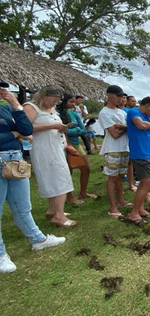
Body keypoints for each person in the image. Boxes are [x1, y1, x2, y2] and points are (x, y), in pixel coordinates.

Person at [0, 85, 66, 273]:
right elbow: (19, 132)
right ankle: (1, 254)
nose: (3, 92)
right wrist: (13, 134)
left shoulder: (7, 107)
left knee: (23, 205)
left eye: (5, 90)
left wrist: (15, 105)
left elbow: (27, 128)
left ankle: (37, 239)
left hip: (15, 159)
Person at [23, 86, 78, 227]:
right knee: (60, 178)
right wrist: (52, 126)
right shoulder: (31, 108)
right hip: (44, 149)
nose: (55, 103)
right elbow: (24, 128)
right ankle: (59, 216)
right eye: (53, 100)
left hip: (56, 146)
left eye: (58, 101)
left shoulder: (51, 109)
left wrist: (65, 140)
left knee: (54, 177)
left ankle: (53, 209)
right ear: (43, 96)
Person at [126, 96, 150, 224]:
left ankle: (140, 209)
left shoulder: (146, 116)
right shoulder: (134, 112)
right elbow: (141, 125)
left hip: (147, 153)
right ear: (147, 106)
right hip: (140, 153)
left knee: (143, 184)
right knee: (147, 183)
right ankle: (134, 213)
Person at [98, 85, 131, 218]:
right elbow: (114, 134)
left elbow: (122, 129)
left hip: (124, 147)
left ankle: (121, 200)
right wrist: (124, 128)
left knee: (120, 176)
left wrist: (119, 126)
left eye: (122, 96)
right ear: (109, 95)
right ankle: (112, 207)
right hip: (112, 148)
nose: (120, 99)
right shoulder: (104, 113)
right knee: (112, 178)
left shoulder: (122, 112)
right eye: (118, 96)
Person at [58, 93, 97, 203]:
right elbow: (60, 130)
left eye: (74, 102)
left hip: (75, 143)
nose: (73, 104)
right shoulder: (57, 113)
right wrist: (74, 130)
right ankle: (69, 197)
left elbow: (83, 129)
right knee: (68, 171)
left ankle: (83, 192)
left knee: (86, 168)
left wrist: (72, 131)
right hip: (64, 144)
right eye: (71, 102)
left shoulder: (73, 113)